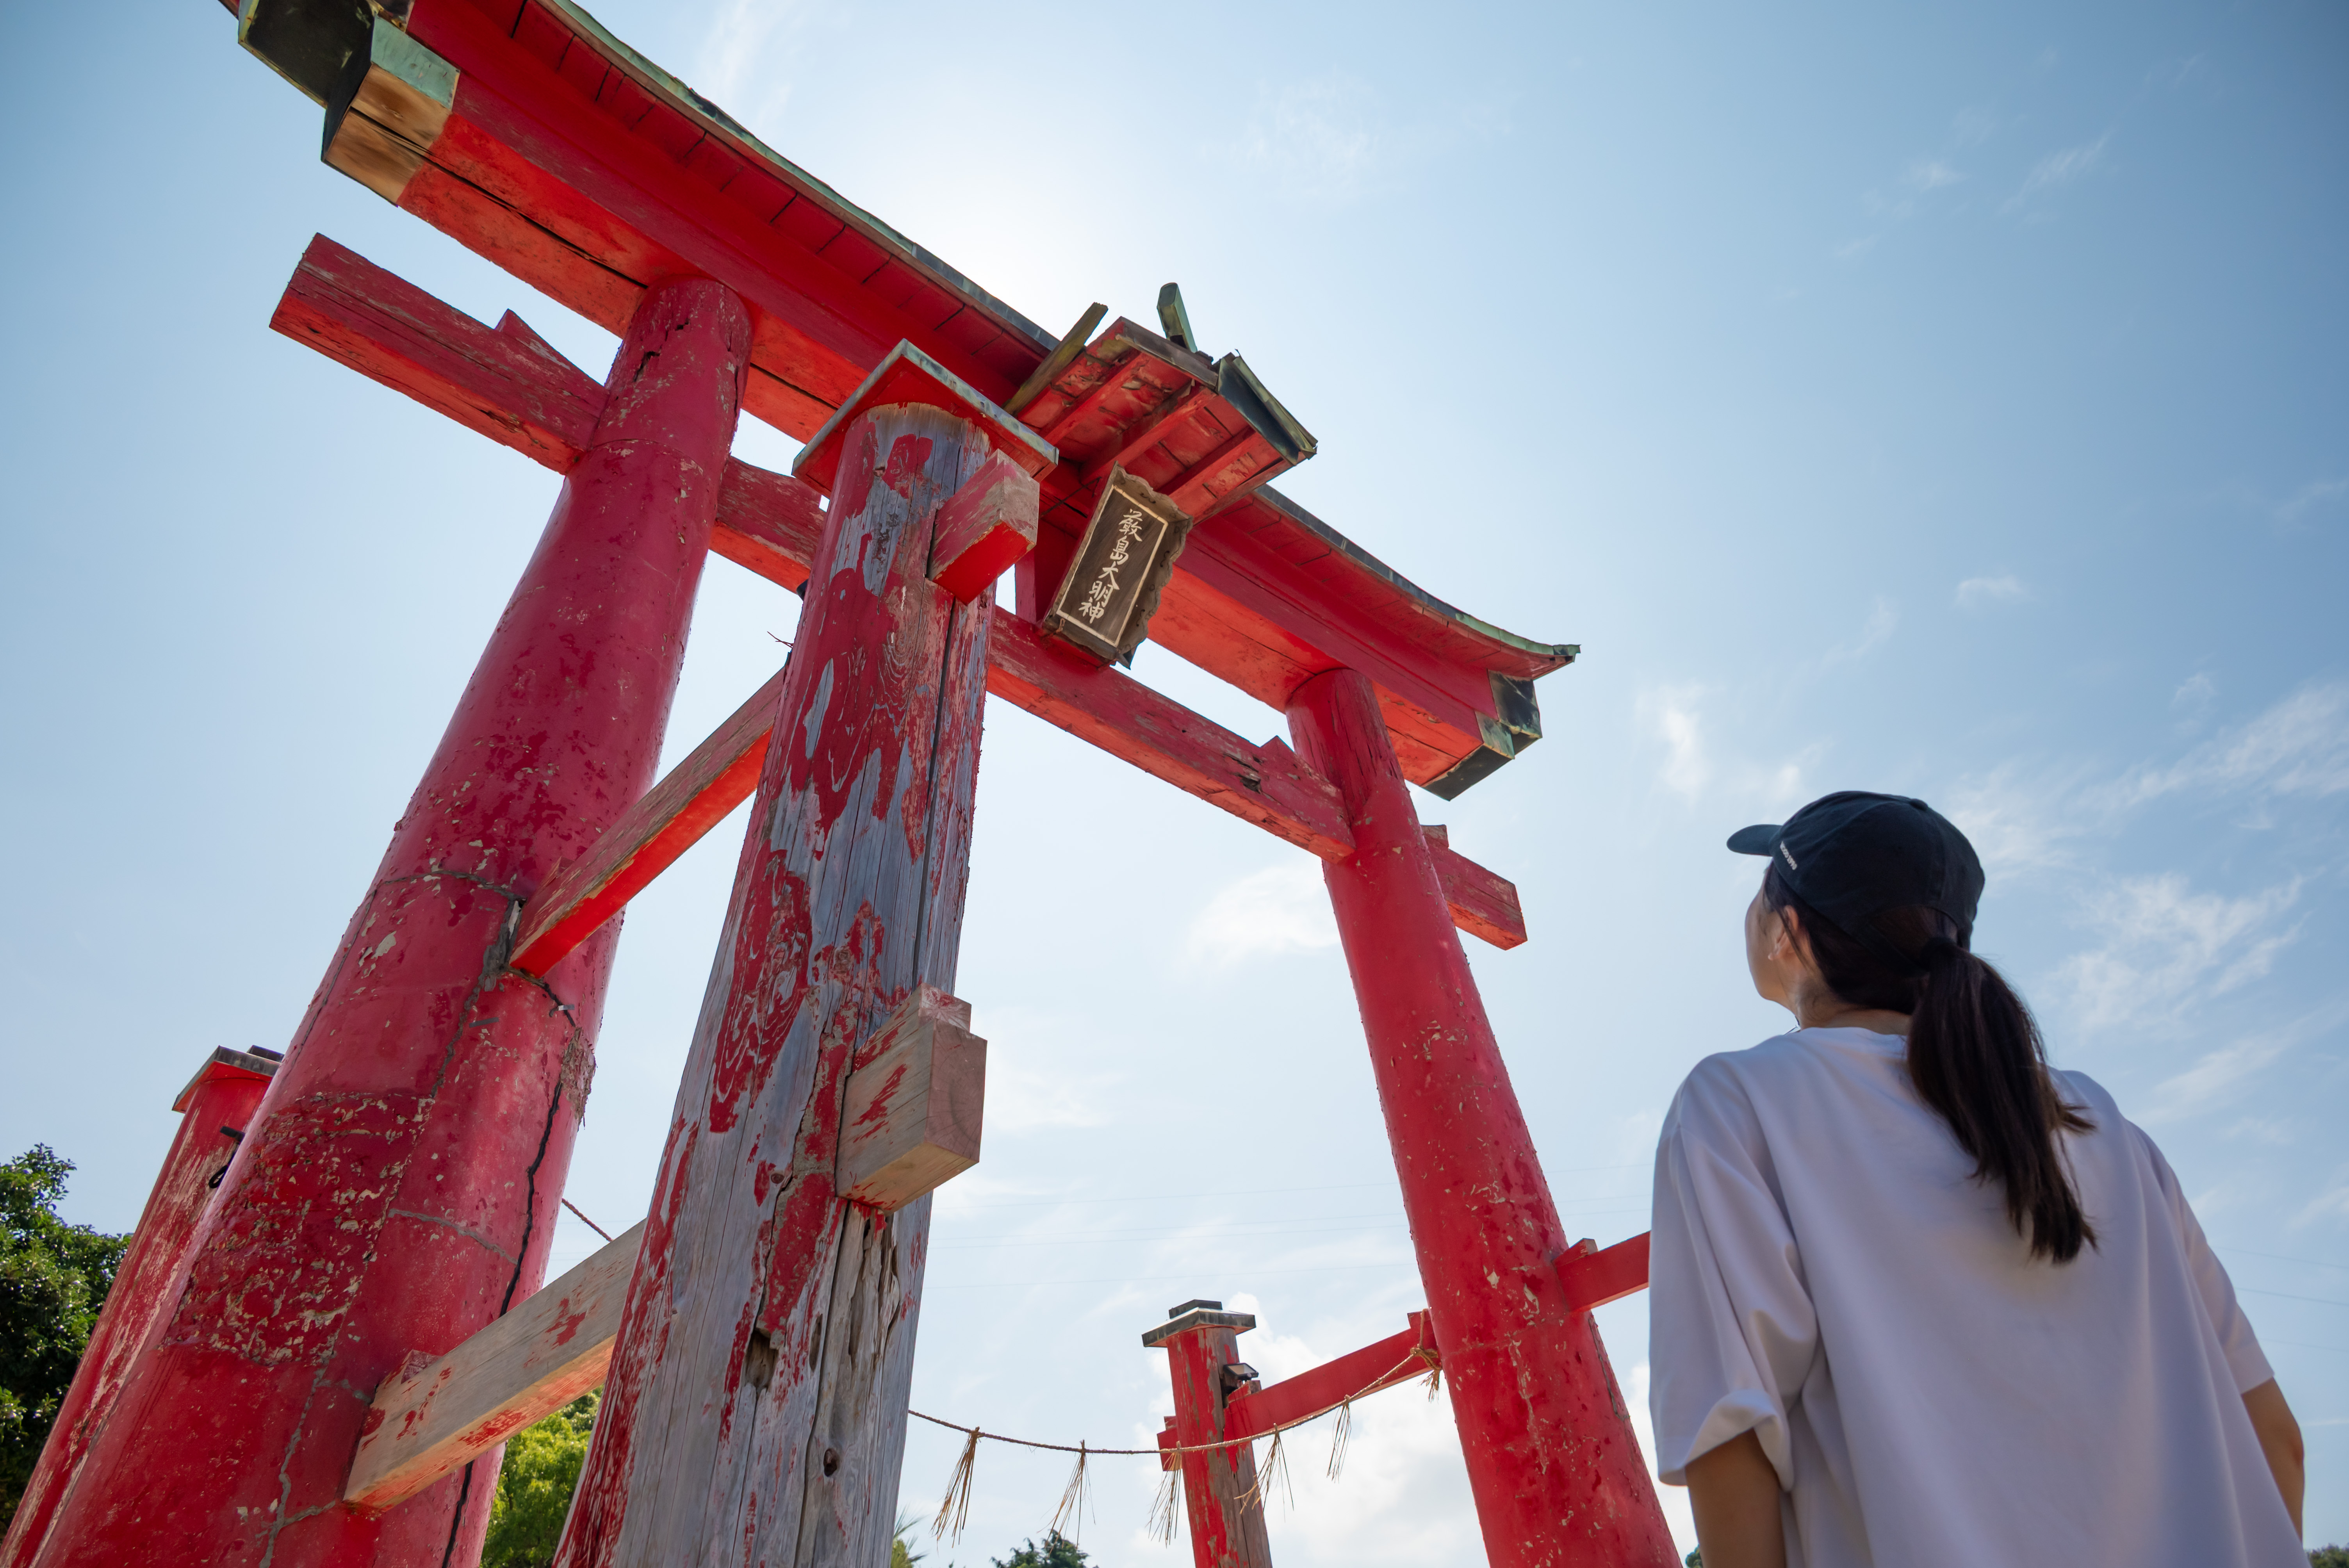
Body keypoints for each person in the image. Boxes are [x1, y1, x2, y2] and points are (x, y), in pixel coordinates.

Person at [1647, 791, 2307, 1568]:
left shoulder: (1738, 1104)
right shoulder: (2100, 1127)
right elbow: (2274, 1442)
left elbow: (1730, 1436)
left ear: (1787, 930)